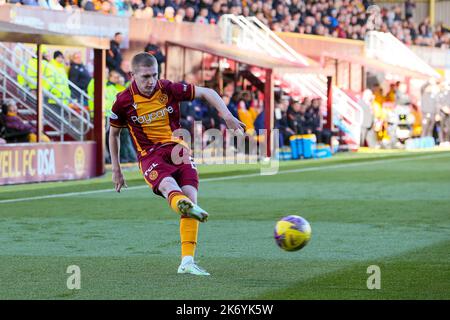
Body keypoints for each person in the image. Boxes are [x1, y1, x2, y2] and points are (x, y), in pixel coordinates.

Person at [109, 53, 245, 276]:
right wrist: (117, 169)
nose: (151, 81)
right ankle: (182, 204)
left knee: (191, 196)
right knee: (168, 186)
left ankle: (187, 262)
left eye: (154, 75)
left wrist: (228, 116)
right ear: (132, 75)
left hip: (178, 151)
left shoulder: (168, 88)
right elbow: (112, 135)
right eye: (145, 77)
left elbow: (208, 92)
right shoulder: (123, 101)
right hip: (151, 155)